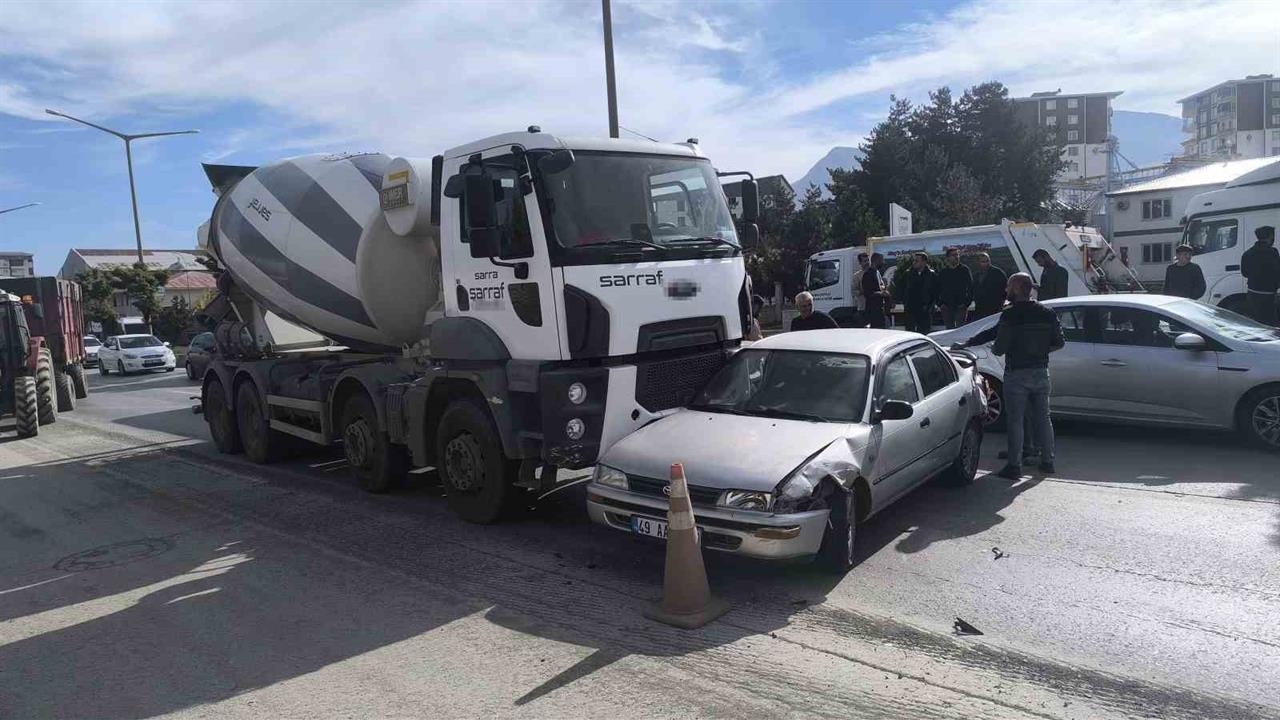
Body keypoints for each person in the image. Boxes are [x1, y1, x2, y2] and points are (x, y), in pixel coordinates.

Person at [955, 272, 1064, 478]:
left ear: (1015, 289)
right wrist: (1040, 351)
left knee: (1015, 420)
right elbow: (1059, 342)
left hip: (1017, 373)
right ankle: (1047, 461)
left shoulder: (1011, 315)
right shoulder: (1047, 313)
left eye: (1008, 287)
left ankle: (1014, 466)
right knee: (1044, 418)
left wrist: (973, 345)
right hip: (1041, 372)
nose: (1006, 290)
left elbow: (999, 346)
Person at [1241, 226, 1279, 326]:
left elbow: (1244, 273)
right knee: (1270, 322)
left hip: (1252, 293)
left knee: (1255, 322)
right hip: (1269, 294)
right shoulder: (1273, 252)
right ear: (1270, 236)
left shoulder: (1247, 253)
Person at [901, 252, 938, 334]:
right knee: (910, 334)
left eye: (917, 261)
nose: (914, 262)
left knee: (924, 333)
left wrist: (931, 307)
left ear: (924, 262)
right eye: (914, 260)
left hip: (925, 310)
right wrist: (905, 303)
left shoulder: (931, 275)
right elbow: (902, 289)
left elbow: (935, 292)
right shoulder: (908, 274)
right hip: (910, 309)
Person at [937, 247, 973, 329]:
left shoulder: (964, 270)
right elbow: (937, 289)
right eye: (953, 255)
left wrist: (966, 303)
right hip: (946, 307)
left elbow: (971, 287)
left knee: (960, 329)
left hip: (961, 306)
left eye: (957, 254)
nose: (956, 257)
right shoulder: (943, 272)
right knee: (949, 330)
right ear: (948, 258)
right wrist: (940, 304)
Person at [971, 252, 1008, 319]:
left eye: (988, 261)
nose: (986, 263)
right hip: (980, 309)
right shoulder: (975, 276)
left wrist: (1001, 305)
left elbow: (1005, 289)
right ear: (978, 263)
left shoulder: (998, 273)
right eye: (983, 262)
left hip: (995, 308)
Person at [861, 253, 891, 329]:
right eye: (882, 260)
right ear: (875, 261)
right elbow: (867, 293)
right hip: (873, 312)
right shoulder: (868, 274)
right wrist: (881, 294)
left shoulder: (877, 273)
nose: (883, 263)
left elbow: (881, 287)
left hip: (880, 310)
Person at [850, 252, 870, 327]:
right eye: (864, 261)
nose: (867, 263)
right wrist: (862, 291)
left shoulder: (875, 272)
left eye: (868, 260)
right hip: (863, 308)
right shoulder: (857, 276)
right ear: (860, 263)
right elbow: (853, 291)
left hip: (874, 307)